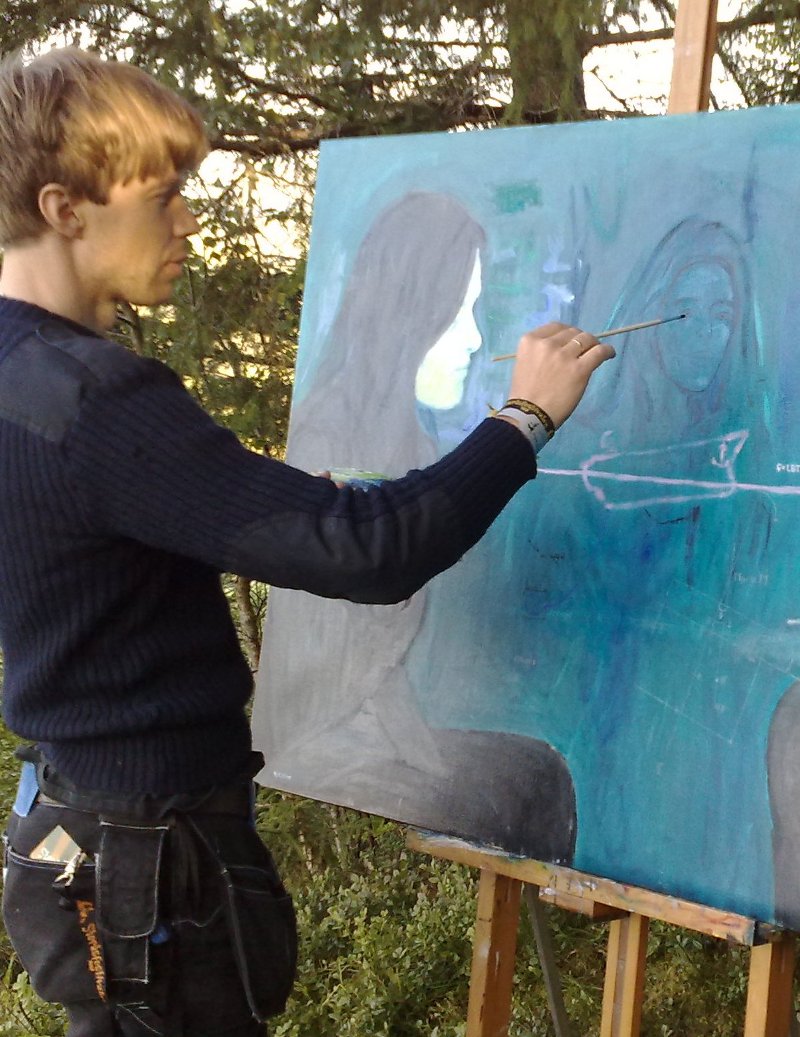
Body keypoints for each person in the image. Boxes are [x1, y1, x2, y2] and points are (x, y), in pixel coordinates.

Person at [0, 46, 614, 1037]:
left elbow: (88, 543)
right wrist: (523, 419)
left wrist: (233, 503)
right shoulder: (99, 400)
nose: (188, 221)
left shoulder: (21, 376)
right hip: (157, 862)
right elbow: (371, 551)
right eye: (162, 196)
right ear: (66, 208)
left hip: (74, 831)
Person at [256, 191, 579, 863]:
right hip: (336, 731)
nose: (475, 339)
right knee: (534, 782)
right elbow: (347, 640)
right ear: (406, 310)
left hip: (390, 723)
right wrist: (526, 417)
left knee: (539, 773)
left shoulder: (413, 433)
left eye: (474, 313)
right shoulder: (330, 429)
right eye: (456, 312)